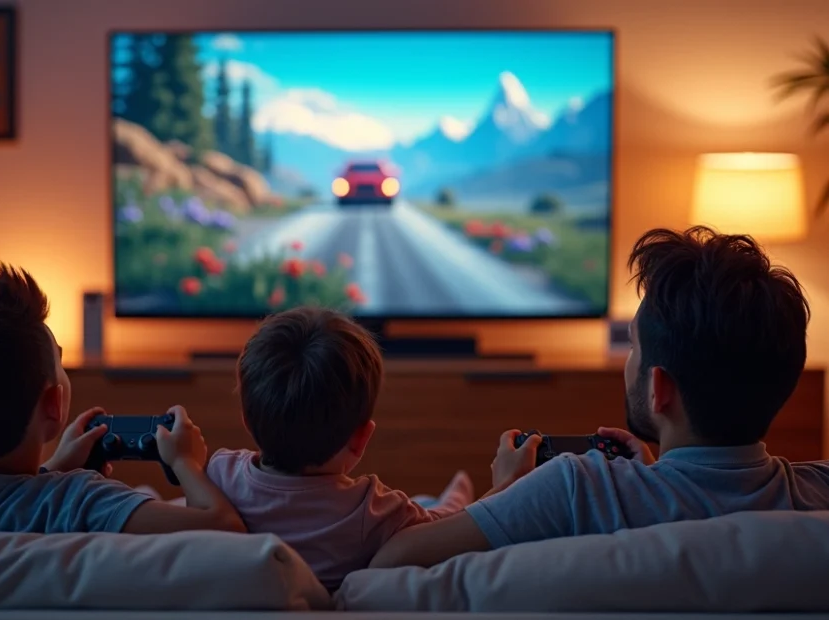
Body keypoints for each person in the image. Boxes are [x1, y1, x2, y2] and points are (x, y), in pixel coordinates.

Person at [371, 226, 829, 569]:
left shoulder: (575, 489)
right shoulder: (817, 494)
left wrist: (502, 494)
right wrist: (654, 478)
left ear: (659, 389)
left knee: (432, 505)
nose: (629, 359)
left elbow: (388, 565)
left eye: (632, 346)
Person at [0, 264, 245, 535]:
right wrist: (187, 462)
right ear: (54, 404)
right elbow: (224, 528)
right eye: (60, 359)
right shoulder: (79, 501)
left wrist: (54, 469)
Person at [207, 307, 473, 591]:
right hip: (429, 512)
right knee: (445, 504)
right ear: (361, 438)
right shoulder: (374, 509)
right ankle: (458, 489)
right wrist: (504, 484)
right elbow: (450, 529)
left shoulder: (220, 475)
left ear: (246, 420)